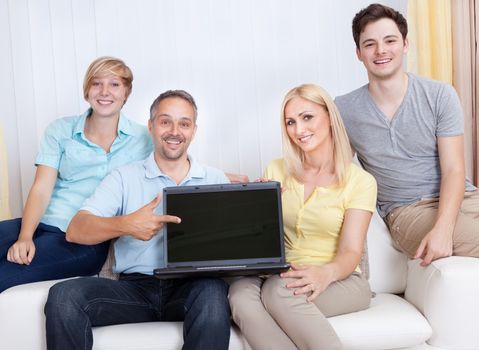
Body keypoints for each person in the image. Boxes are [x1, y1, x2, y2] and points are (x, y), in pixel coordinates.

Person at [44, 90, 231, 350]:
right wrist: (127, 224)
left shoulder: (215, 179)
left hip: (193, 288)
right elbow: (76, 230)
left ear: (193, 130)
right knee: (64, 296)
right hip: (135, 290)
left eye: (184, 123)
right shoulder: (124, 177)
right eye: (165, 121)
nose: (175, 131)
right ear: (152, 126)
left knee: (212, 292)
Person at [229, 84, 377, 349]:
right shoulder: (276, 170)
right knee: (239, 294)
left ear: (329, 117)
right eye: (290, 122)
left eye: (307, 117)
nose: (299, 130)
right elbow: (258, 241)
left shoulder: (360, 181)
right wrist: (257, 207)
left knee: (279, 292)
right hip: (280, 274)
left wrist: (324, 273)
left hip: (340, 279)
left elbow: (351, 252)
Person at [335, 3, 479, 267]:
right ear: (358, 53)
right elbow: (332, 169)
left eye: (390, 40)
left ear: (405, 44)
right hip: (406, 211)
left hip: (465, 198)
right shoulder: (344, 109)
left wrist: (444, 229)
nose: (381, 51)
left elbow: (454, 170)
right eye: (370, 44)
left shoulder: (440, 95)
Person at [0, 56, 152, 292]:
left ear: (126, 93)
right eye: (96, 83)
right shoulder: (60, 130)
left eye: (114, 84)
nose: (104, 92)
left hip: (84, 241)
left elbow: (174, 163)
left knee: (3, 275)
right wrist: (25, 236)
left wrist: (221, 176)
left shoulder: (145, 139)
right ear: (86, 90)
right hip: (43, 224)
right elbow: (41, 189)